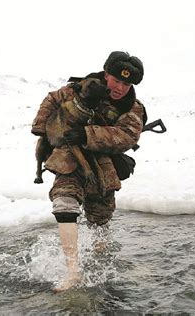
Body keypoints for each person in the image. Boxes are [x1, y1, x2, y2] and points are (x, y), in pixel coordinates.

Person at [31, 51, 146, 292]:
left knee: (100, 220)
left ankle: (100, 258)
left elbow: (125, 136)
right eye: (116, 80)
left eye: (127, 84)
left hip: (104, 167)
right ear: (106, 75)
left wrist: (87, 134)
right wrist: (44, 129)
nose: (120, 87)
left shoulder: (133, 109)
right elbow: (52, 100)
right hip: (68, 158)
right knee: (64, 202)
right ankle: (73, 270)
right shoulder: (80, 88)